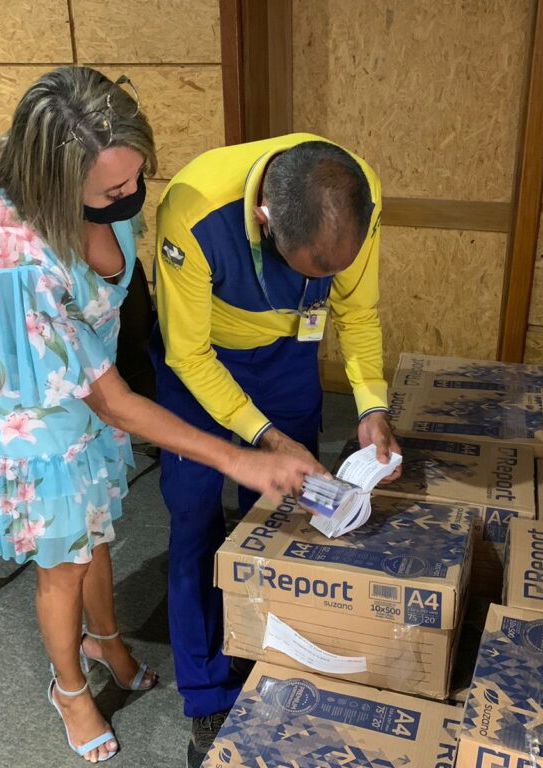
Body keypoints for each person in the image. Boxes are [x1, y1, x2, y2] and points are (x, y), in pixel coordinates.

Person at [0, 67, 317, 764]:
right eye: (114, 192)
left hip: (85, 375)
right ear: (54, 181)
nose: (130, 197)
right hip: (26, 407)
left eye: (135, 179)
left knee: (96, 529)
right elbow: (115, 400)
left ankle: (105, 638)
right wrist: (240, 457)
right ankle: (68, 689)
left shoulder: (105, 188)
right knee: (64, 559)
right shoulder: (14, 254)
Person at [152, 133, 401, 767]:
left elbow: (359, 314)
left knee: (287, 511)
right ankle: (207, 694)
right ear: (265, 221)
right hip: (202, 363)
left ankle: (278, 659)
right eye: (309, 270)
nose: (321, 283)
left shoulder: (358, 191)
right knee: (195, 521)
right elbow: (188, 354)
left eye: (329, 274)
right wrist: (262, 435)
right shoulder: (194, 209)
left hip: (289, 354)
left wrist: (371, 405)